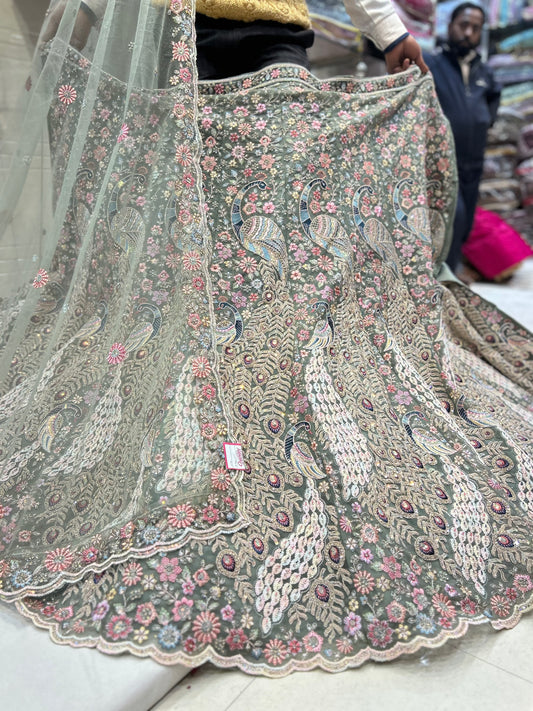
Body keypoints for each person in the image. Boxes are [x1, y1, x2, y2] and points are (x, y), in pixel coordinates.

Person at [1, 0, 532, 680]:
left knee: (279, 224)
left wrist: (387, 30)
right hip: (182, 38)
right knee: (203, 221)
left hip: (274, 40)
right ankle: (217, 376)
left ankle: (282, 377)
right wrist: (71, 33)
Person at [424, 2, 500, 272]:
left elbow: (493, 100)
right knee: (451, 219)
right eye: (463, 25)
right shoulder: (432, 64)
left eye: (475, 28)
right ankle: (445, 279)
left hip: (473, 161)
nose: (468, 33)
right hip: (441, 161)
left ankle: (449, 275)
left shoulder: (485, 72)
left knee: (465, 224)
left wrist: (484, 121)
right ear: (450, 26)